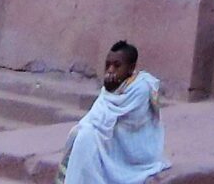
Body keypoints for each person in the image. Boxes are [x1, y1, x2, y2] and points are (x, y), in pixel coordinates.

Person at [56, 40, 169, 184]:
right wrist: (109, 89)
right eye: (107, 65)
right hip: (112, 140)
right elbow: (95, 118)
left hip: (134, 148)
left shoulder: (142, 88)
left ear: (131, 68)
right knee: (83, 134)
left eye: (117, 66)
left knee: (87, 137)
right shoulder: (110, 87)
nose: (110, 70)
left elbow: (126, 125)